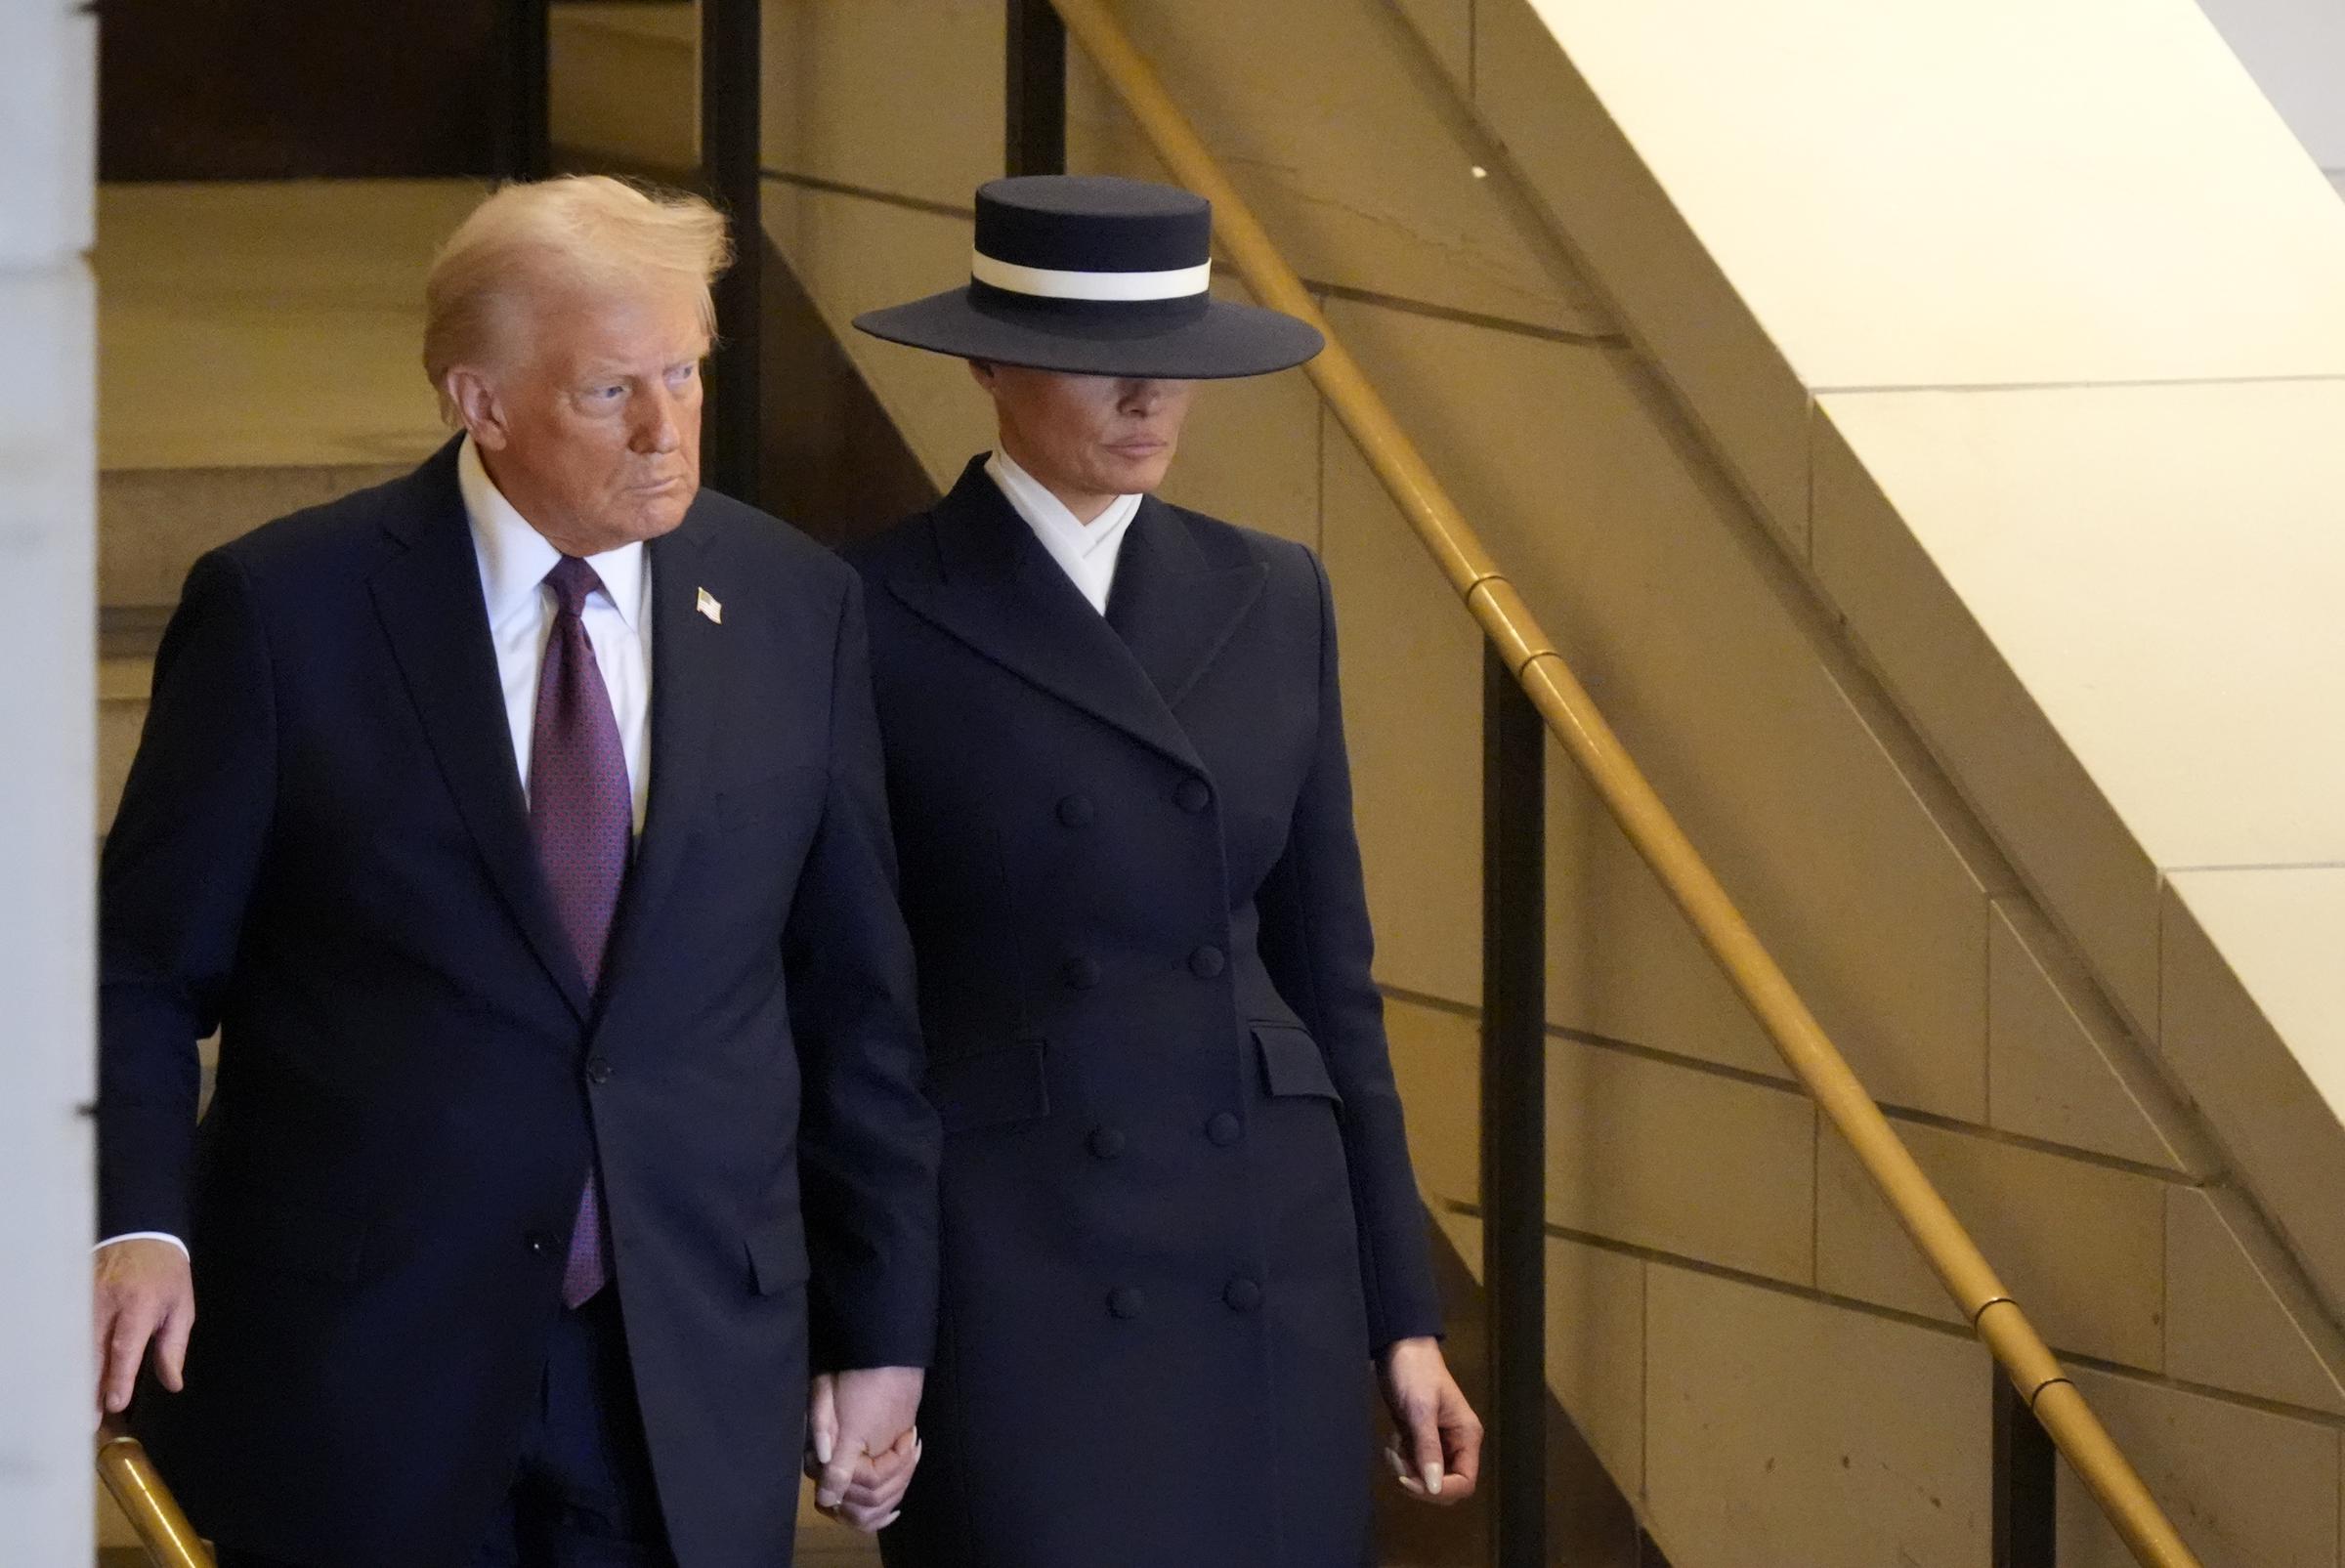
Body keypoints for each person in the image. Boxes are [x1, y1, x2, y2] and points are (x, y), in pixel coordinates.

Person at [92, 175, 936, 1567]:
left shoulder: (798, 605)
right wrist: (137, 1222)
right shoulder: (284, 611)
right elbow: (137, 966)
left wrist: (882, 1327)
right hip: (363, 1373)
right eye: (613, 391)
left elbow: (857, 1009)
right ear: (476, 401)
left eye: (685, 370)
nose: (670, 430)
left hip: (684, 1370)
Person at [844, 174, 1483, 1568]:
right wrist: (871, 1333)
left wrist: (1403, 1311)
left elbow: (1334, 980)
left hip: (1267, 1239)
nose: (1148, 402)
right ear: (987, 360)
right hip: (1020, 1256)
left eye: (1175, 368)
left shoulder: (1276, 591)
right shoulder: (866, 608)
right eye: (1100, 367)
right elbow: (849, 1010)